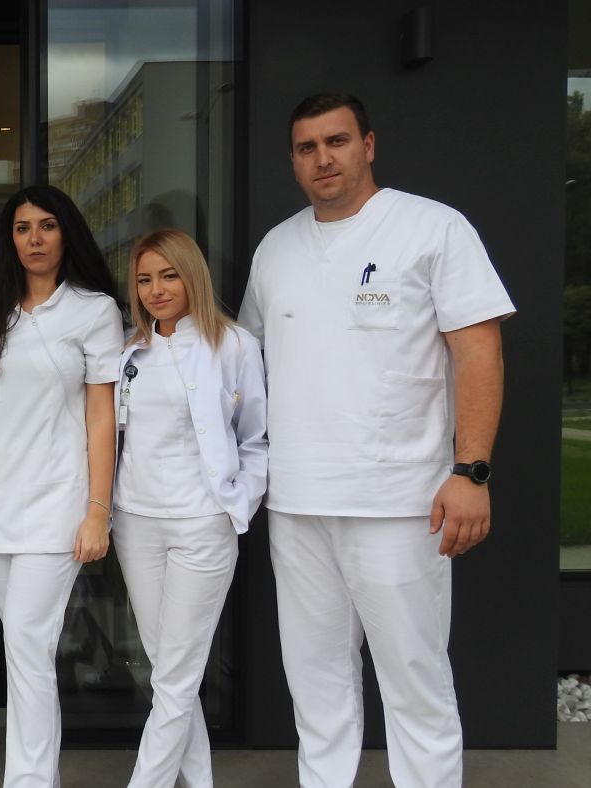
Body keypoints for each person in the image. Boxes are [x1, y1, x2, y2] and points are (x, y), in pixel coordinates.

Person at [239, 93, 514, 788]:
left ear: (368, 144)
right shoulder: (276, 249)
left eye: (336, 141)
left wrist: (472, 471)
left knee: (414, 678)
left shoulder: (431, 228)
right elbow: (244, 361)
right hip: (298, 500)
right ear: (293, 161)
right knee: (315, 679)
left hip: (401, 500)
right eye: (306, 147)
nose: (322, 159)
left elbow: (479, 351)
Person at [0, 185, 124, 788]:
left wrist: (98, 509)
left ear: (66, 233)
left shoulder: (94, 311)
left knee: (28, 645)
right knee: (22, 648)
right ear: (9, 239)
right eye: (23, 228)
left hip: (57, 503)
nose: (35, 239)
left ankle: (27, 781)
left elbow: (102, 418)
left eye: (47, 226)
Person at [114, 228, 267, 788]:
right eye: (144, 279)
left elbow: (256, 438)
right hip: (136, 523)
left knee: (175, 677)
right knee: (168, 671)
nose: (156, 290)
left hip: (202, 524)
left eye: (168, 275)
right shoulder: (128, 351)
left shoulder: (234, 345)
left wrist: (236, 503)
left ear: (192, 276)